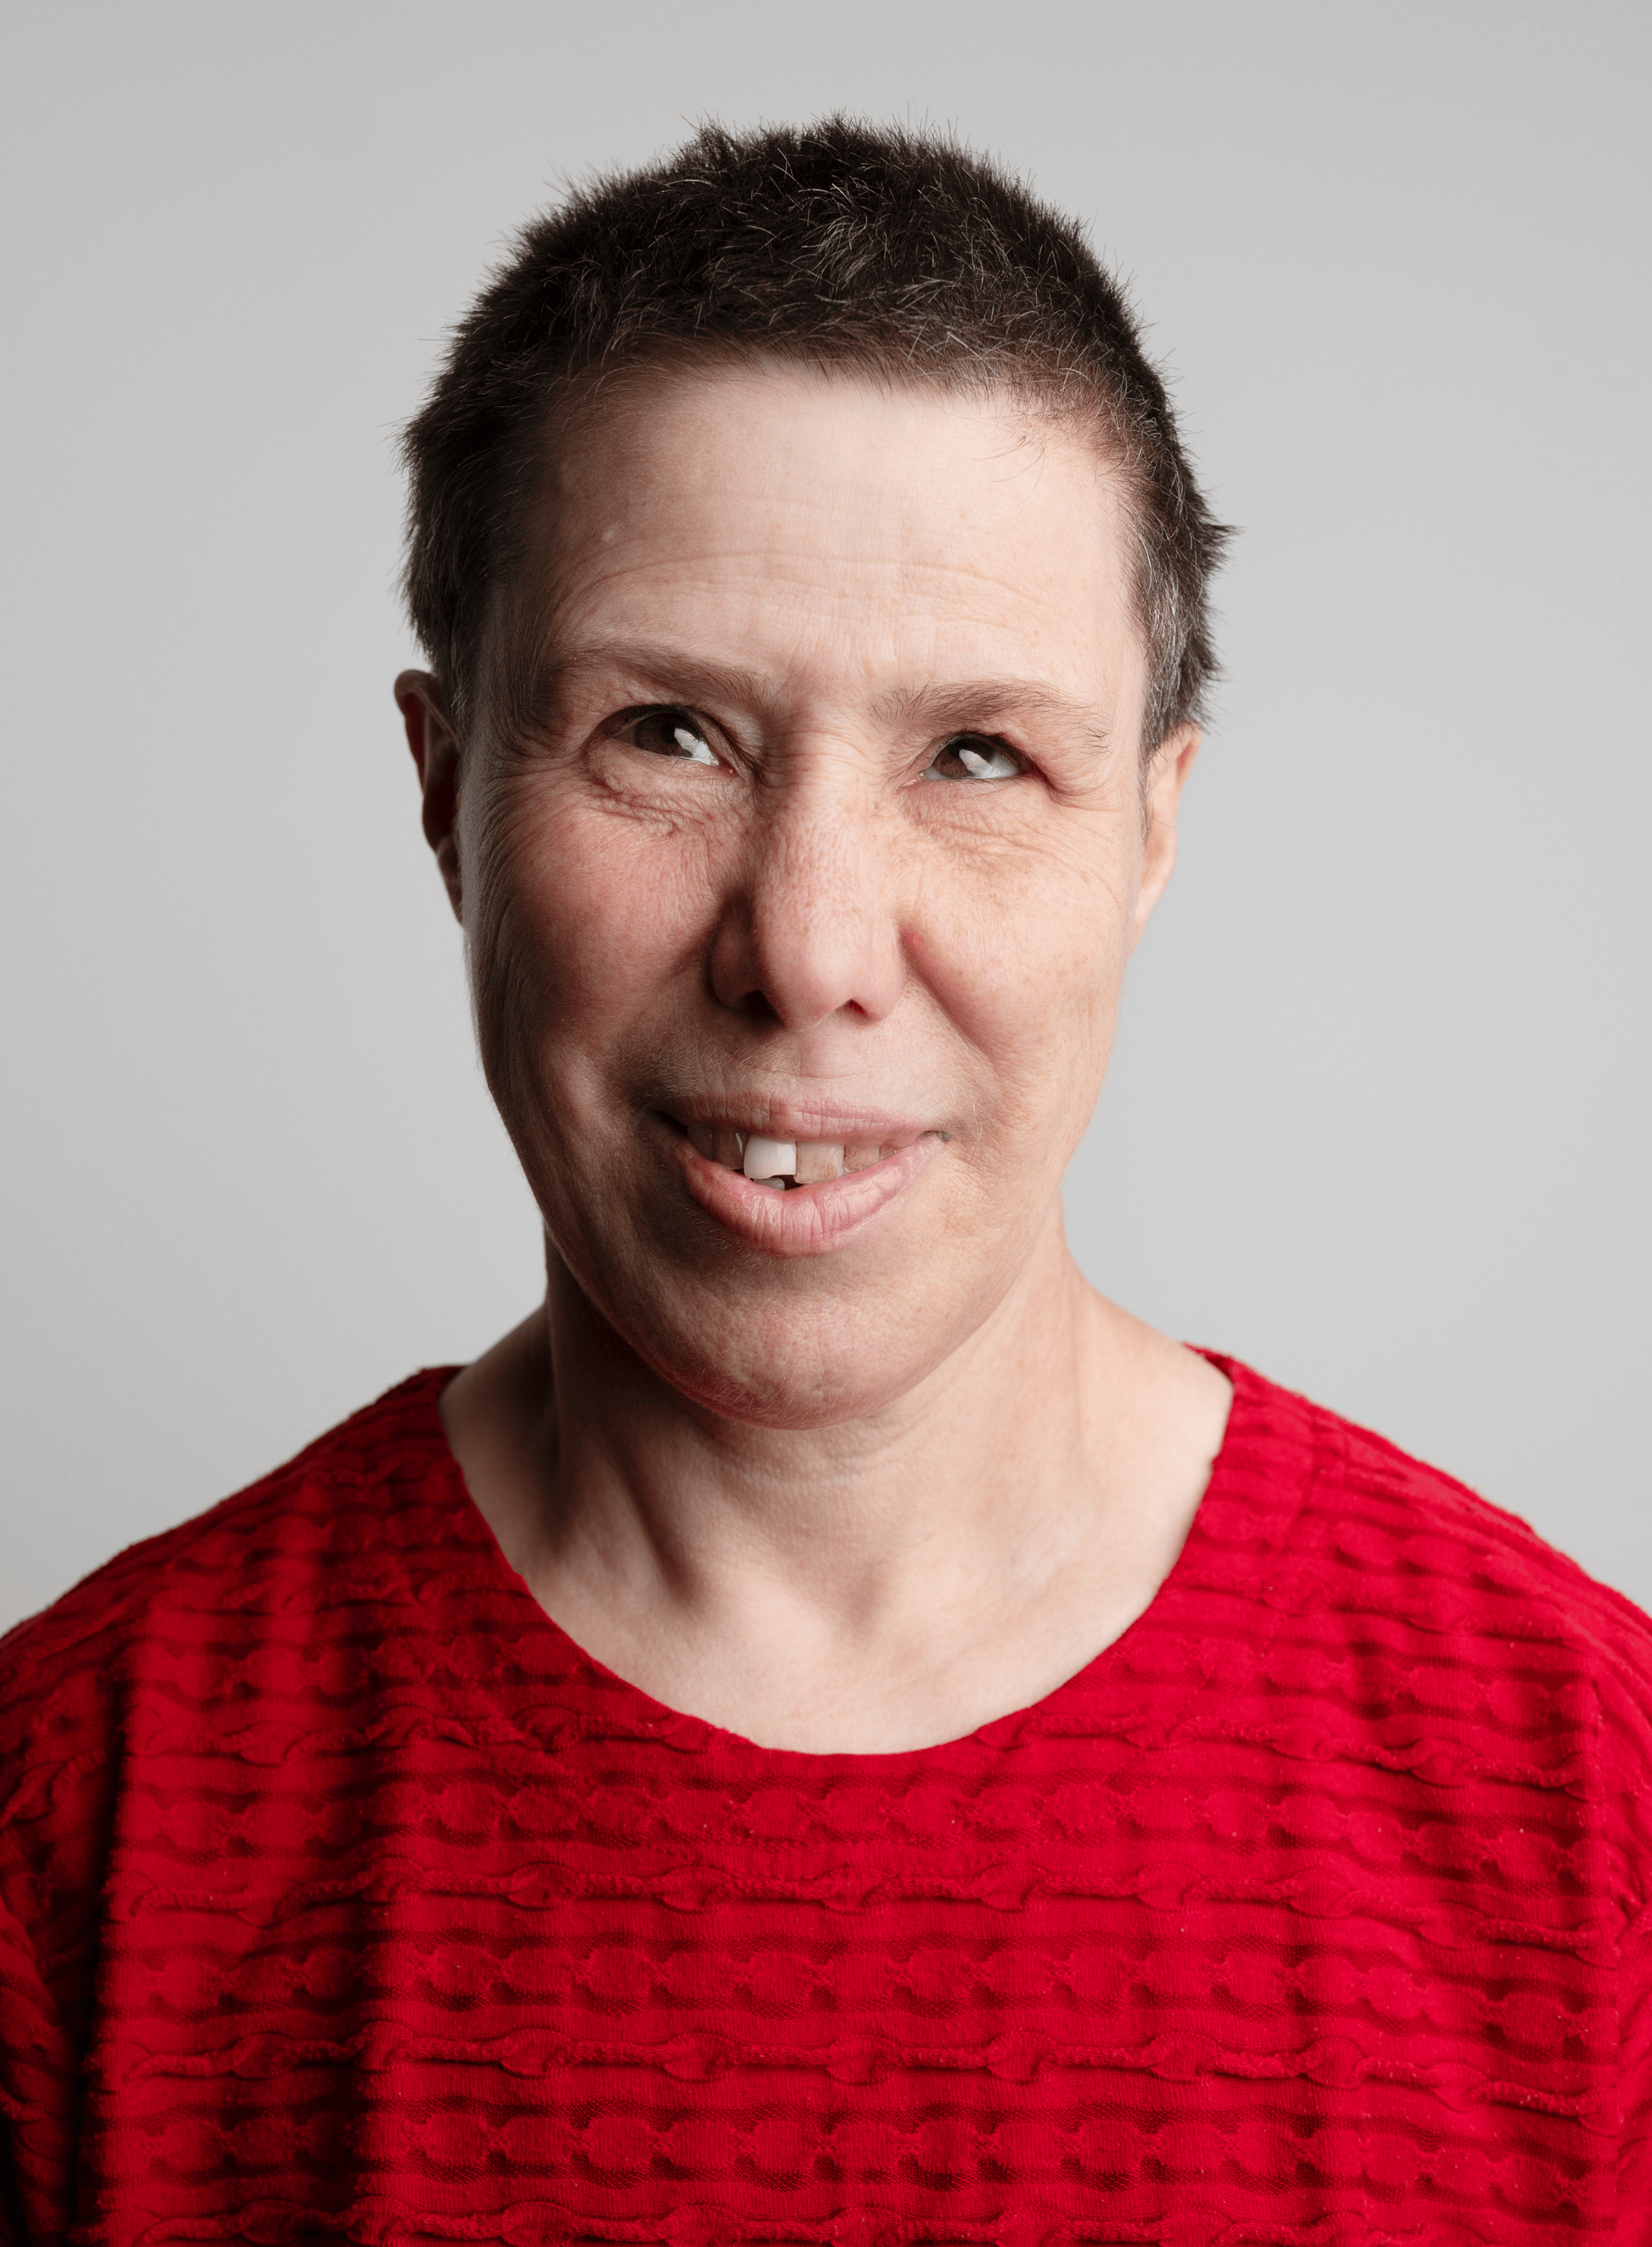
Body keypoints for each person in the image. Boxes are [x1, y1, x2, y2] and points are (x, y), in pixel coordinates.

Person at [2, 118, 1649, 2246]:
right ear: (443, 796)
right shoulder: (74, 1834)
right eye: (668, 734)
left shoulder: (1585, 1813)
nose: (809, 950)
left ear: (1149, 834)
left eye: (979, 755)